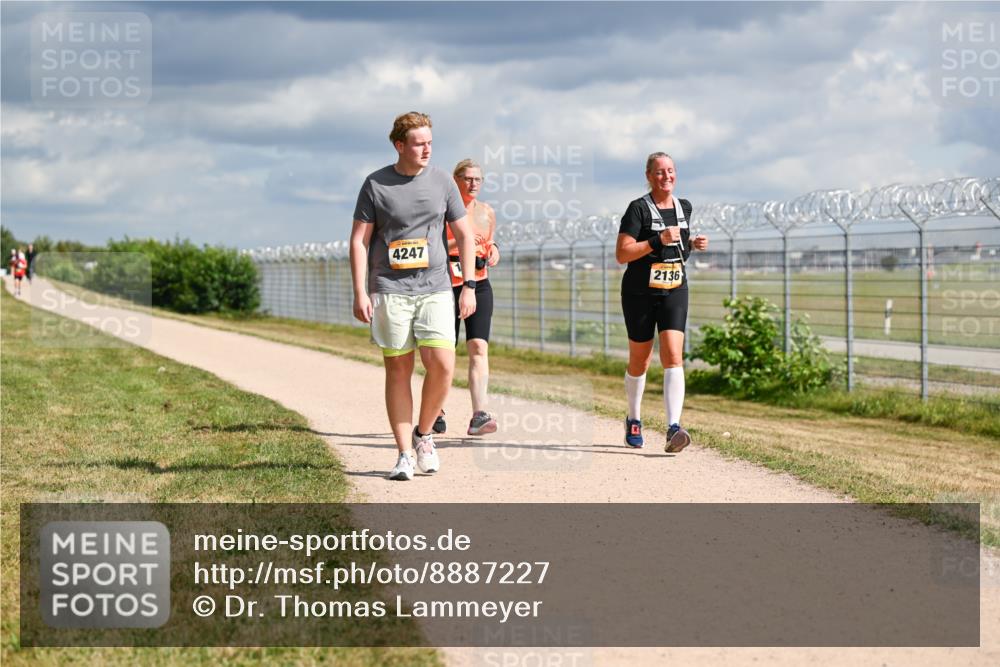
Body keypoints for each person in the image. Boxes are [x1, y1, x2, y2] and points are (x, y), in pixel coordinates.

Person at [350, 111, 478, 481]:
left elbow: (465, 235)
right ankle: (405, 453)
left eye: (430, 143)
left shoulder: (443, 182)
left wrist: (468, 285)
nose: (427, 150)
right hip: (390, 289)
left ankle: (424, 434)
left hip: (435, 286)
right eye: (419, 143)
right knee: (398, 369)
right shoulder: (376, 184)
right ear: (399, 145)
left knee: (443, 364)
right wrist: (360, 291)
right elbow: (359, 241)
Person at [615, 152, 708, 453]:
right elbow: (623, 253)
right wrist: (657, 240)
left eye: (670, 171)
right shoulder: (638, 209)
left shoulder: (684, 207)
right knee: (640, 360)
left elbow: (677, 251)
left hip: (674, 289)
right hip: (639, 293)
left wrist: (692, 245)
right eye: (659, 172)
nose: (666, 176)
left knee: (673, 355)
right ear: (648, 176)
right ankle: (634, 418)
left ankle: (673, 428)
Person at [436, 159, 500, 436]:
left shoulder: (486, 212)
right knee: (443, 351)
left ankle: (479, 415)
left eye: (478, 179)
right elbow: (432, 245)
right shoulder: (442, 211)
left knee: (478, 347)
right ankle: (436, 408)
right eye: (468, 178)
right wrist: (461, 241)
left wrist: (494, 249)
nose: (473, 184)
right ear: (456, 179)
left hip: (479, 283)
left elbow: (488, 240)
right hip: (446, 284)